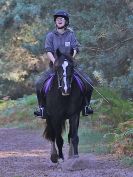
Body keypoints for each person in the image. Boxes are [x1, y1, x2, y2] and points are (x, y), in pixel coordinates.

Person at [34, 10, 93, 118]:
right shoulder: (50, 35)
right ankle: (41, 108)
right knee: (38, 83)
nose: (59, 20)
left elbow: (75, 48)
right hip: (55, 66)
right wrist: (55, 62)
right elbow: (48, 51)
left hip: (70, 66)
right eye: (57, 19)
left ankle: (86, 106)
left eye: (62, 18)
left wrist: (70, 59)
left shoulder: (71, 34)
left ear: (66, 21)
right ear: (55, 22)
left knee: (88, 82)